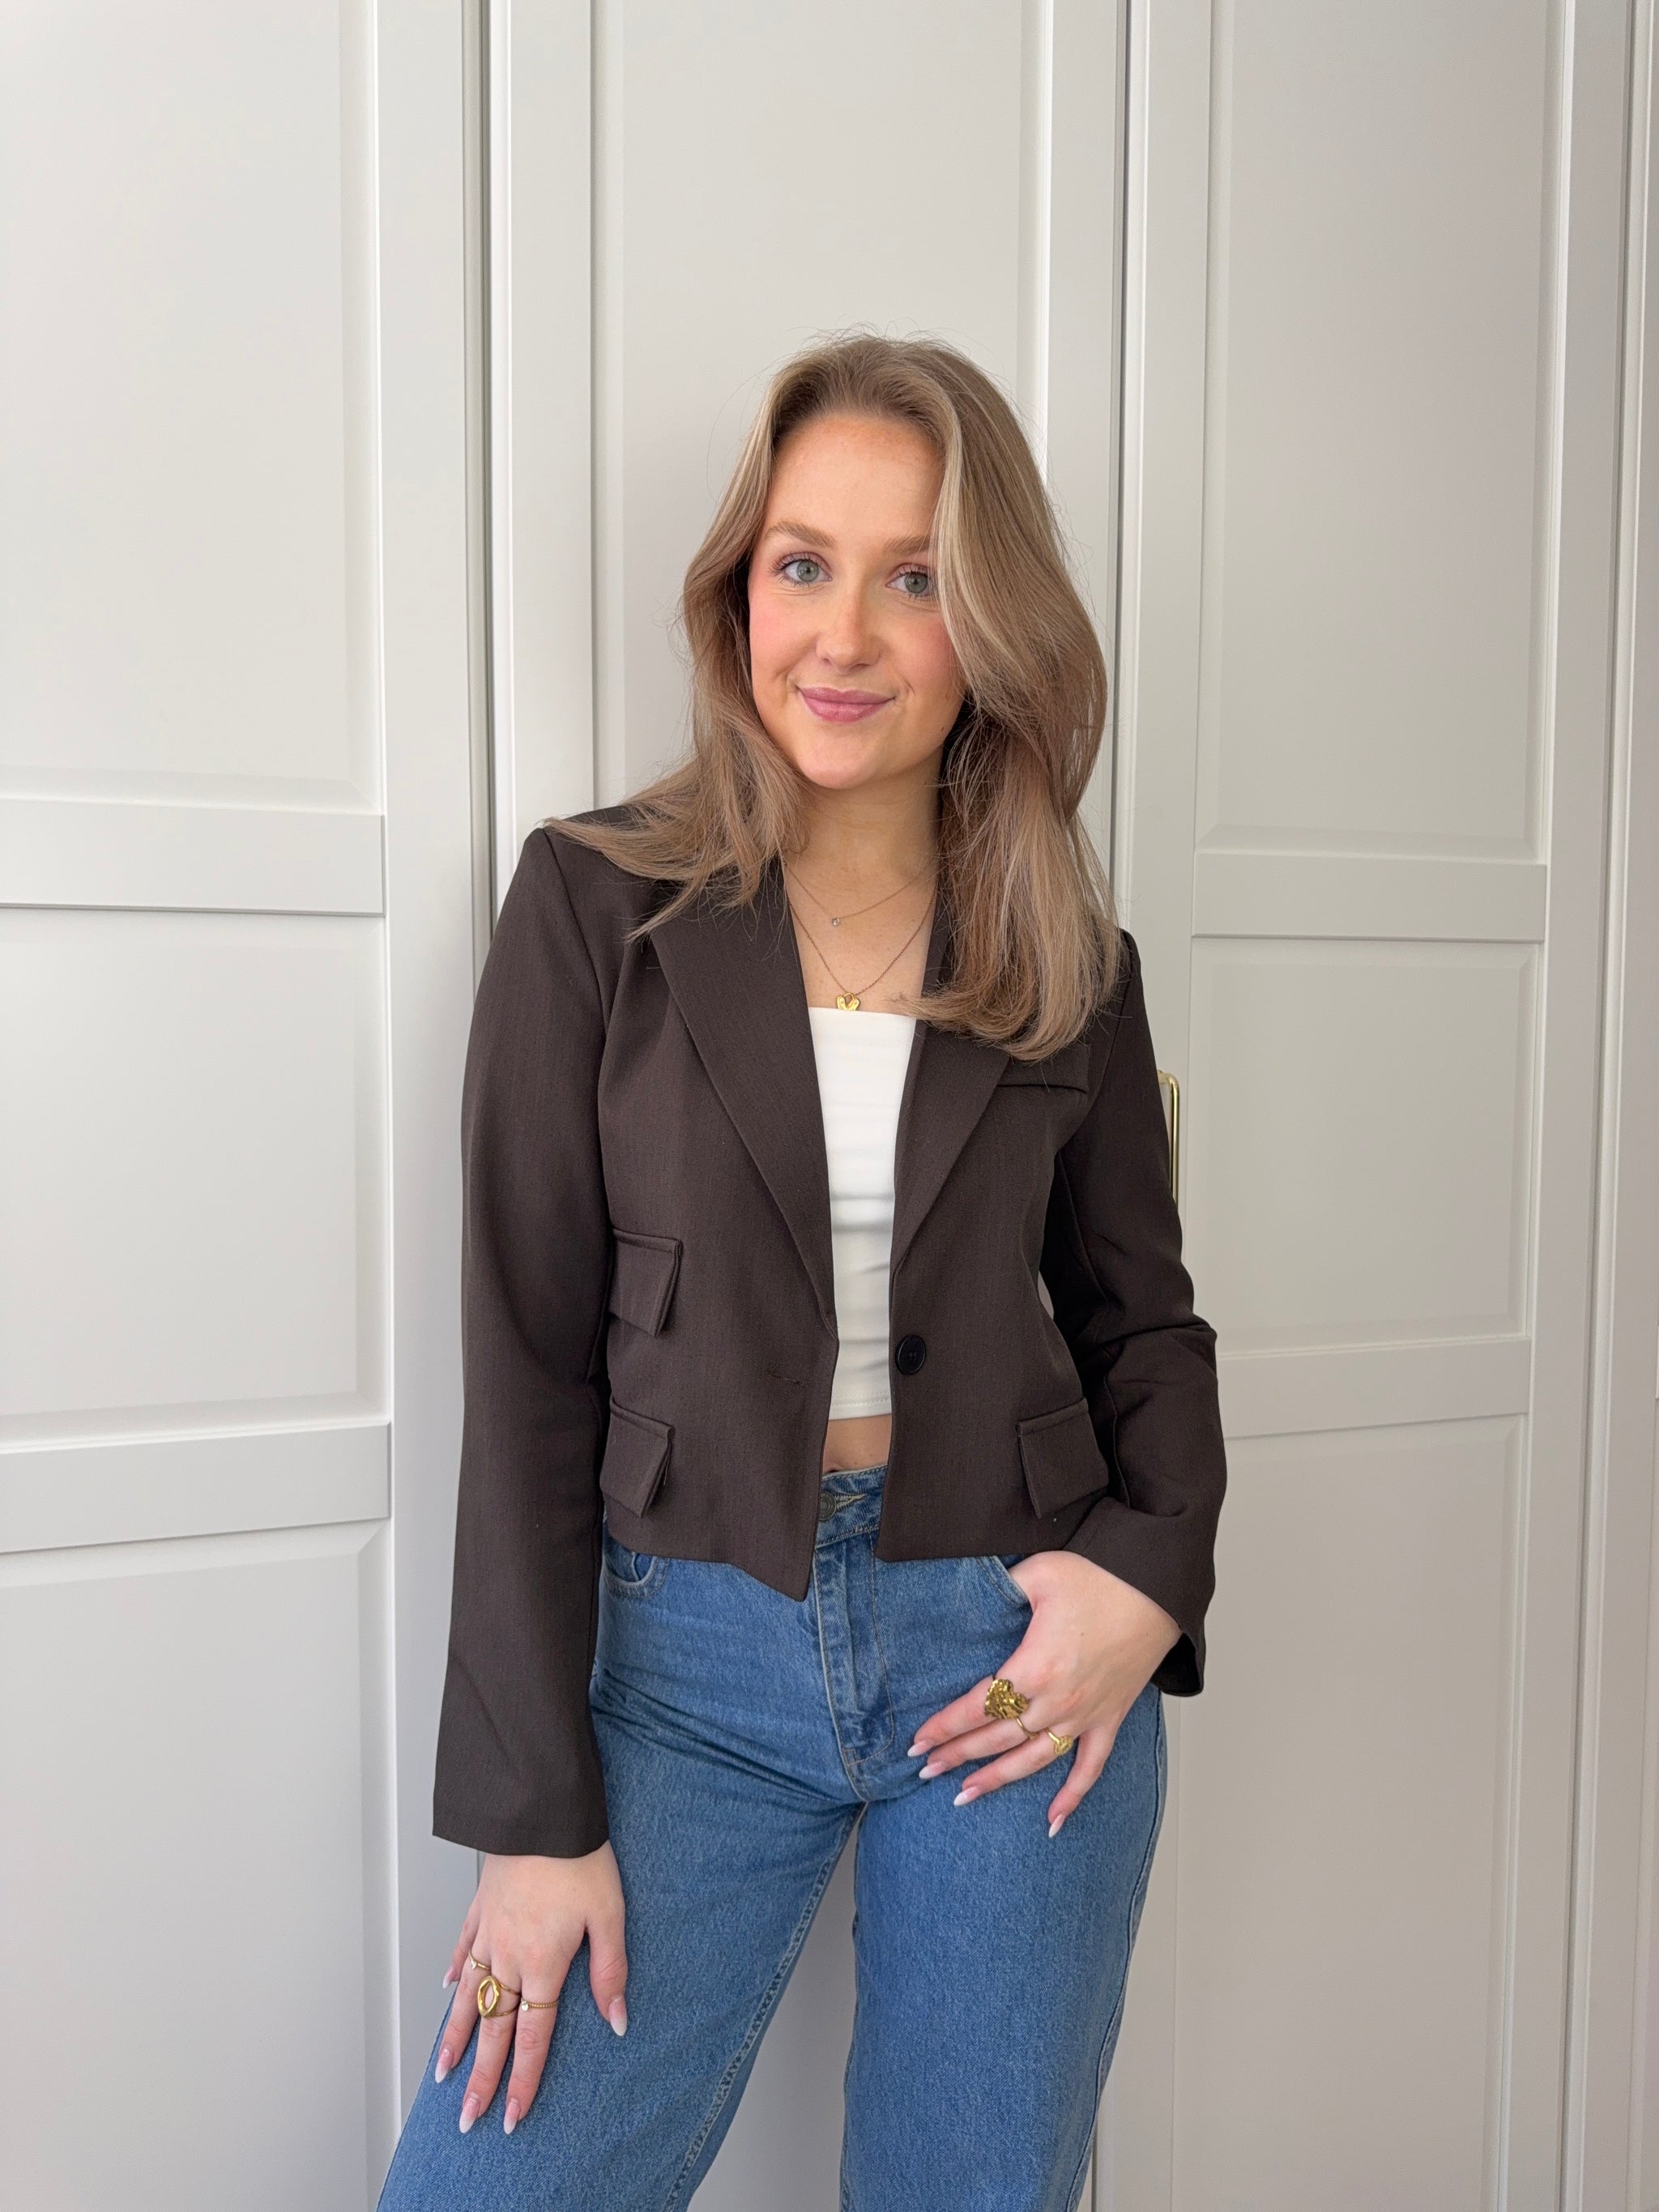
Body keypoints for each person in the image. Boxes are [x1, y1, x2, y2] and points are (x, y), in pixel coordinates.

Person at [377, 330, 1226, 2212]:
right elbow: (525, 1368)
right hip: (679, 1670)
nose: (842, 636)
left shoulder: (1063, 949)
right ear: (738, 592)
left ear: (988, 622)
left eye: (914, 578)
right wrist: (529, 1816)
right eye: (802, 563)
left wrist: (1146, 1581)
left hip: (1004, 1664)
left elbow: (1143, 1321)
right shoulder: (594, 904)